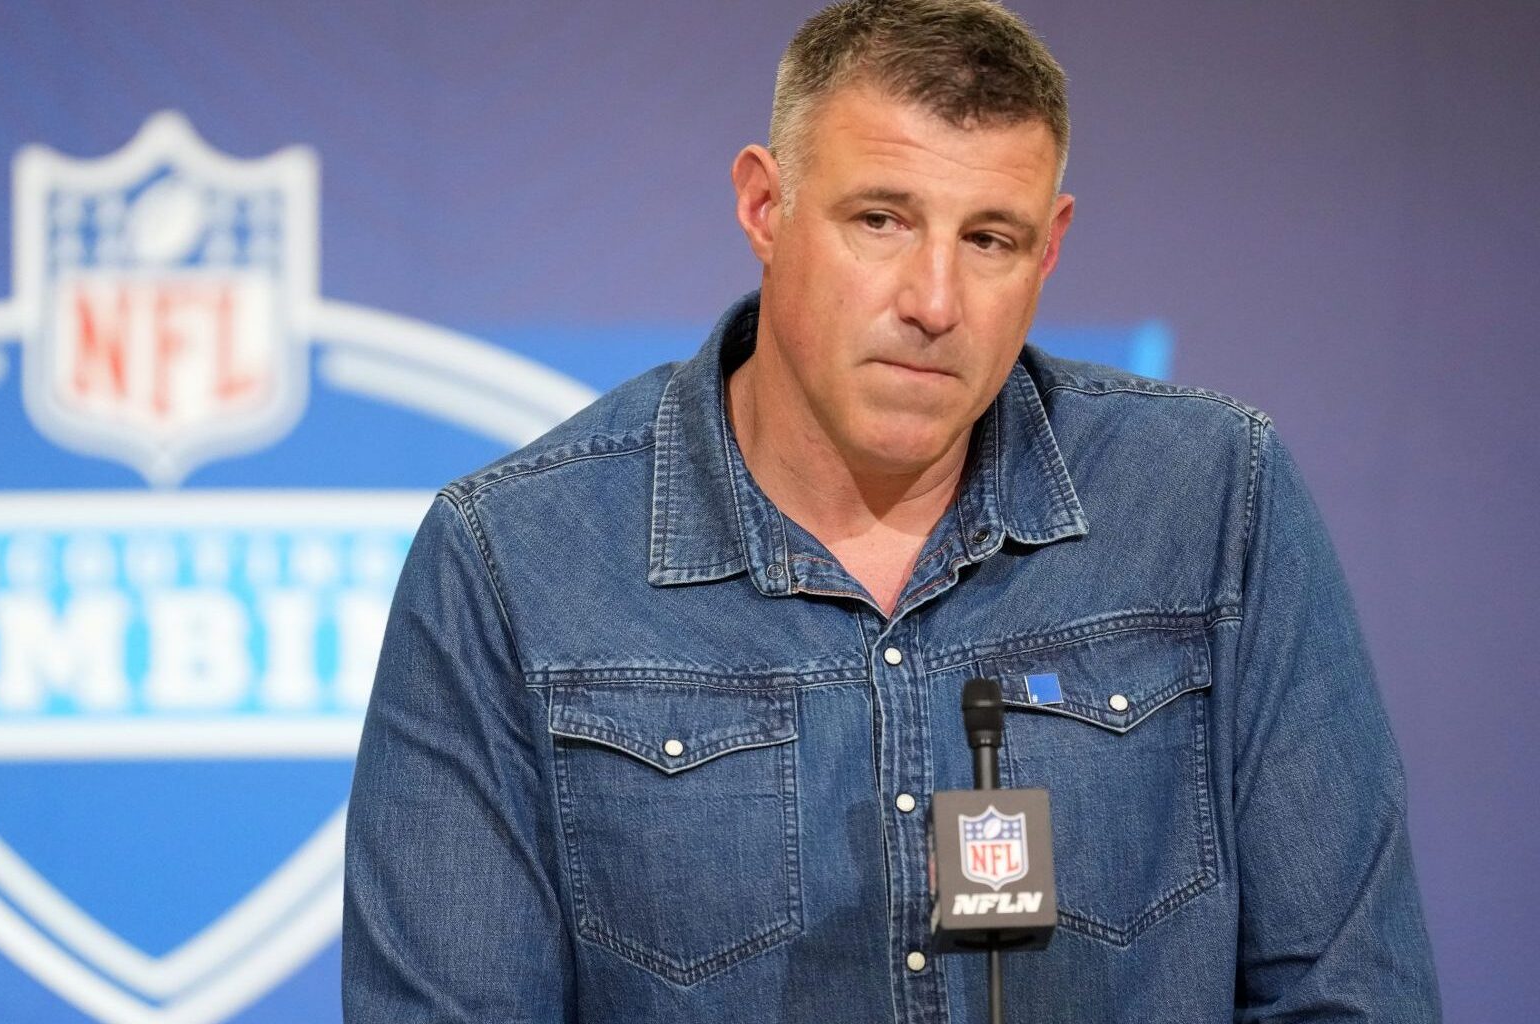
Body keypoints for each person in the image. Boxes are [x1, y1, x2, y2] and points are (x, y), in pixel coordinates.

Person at [342, 0, 1441, 1020]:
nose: (932, 303)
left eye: (990, 240)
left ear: (1050, 248)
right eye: (880, 219)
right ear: (764, 206)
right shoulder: (511, 560)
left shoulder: (1213, 500)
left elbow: (1351, 993)